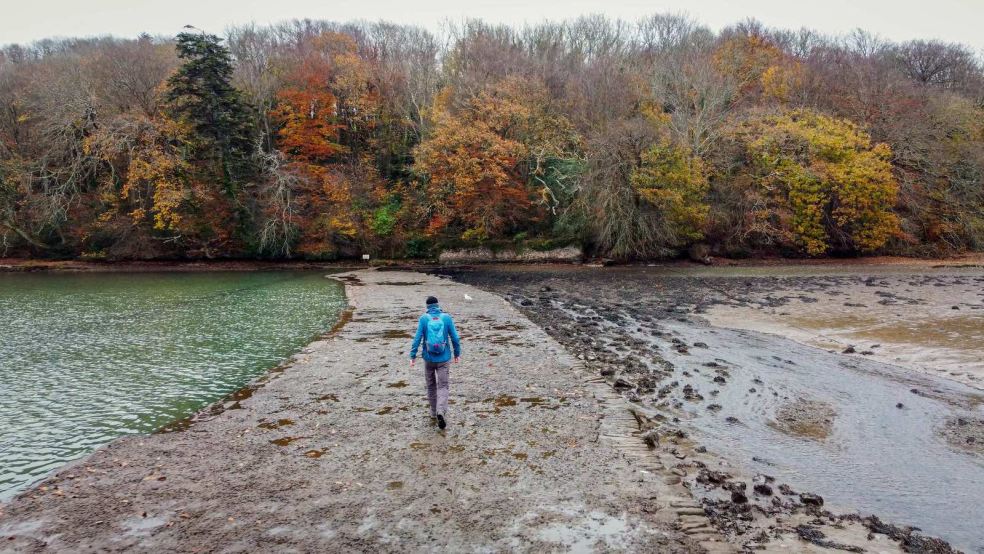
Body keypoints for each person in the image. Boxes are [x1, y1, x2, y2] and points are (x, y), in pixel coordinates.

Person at [409, 296, 461, 430]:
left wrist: (413, 355)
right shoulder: (446, 318)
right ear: (438, 305)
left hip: (428, 358)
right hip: (444, 358)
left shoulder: (424, 319)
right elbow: (455, 337)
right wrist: (457, 353)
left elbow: (417, 338)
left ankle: (433, 412)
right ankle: (440, 411)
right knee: (443, 386)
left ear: (427, 307)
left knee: (431, 385)